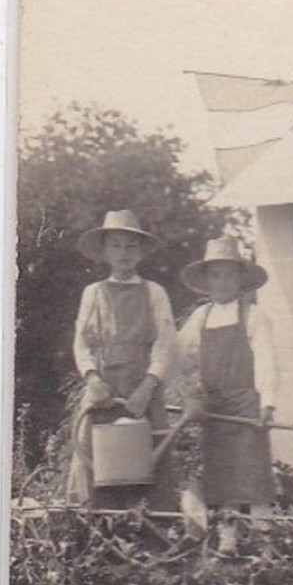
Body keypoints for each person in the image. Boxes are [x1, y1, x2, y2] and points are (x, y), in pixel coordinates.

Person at [66, 209, 179, 509]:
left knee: (150, 466)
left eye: (131, 246)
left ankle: (154, 545)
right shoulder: (93, 293)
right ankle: (101, 543)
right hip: (105, 391)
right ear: (104, 251)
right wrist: (92, 379)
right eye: (115, 245)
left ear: (141, 252)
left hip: (143, 390)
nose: (124, 253)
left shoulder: (155, 293)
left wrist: (148, 386)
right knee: (98, 466)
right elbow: (81, 342)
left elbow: (166, 343)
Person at [174, 237, 279, 512]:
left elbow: (267, 361)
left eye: (229, 276)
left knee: (252, 478)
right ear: (207, 281)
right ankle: (227, 542)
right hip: (213, 409)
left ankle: (263, 538)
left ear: (241, 279)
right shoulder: (201, 316)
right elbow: (179, 357)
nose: (222, 283)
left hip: (245, 408)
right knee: (221, 482)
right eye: (216, 276)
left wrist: (267, 403)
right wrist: (190, 391)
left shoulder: (253, 316)